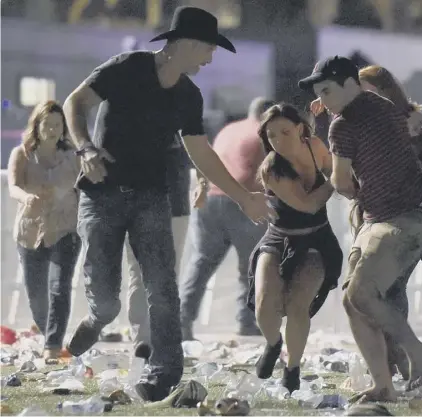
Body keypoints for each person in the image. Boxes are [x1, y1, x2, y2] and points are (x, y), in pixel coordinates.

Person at [62, 7, 270, 401]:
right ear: (187, 44)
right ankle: (95, 319)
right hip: (102, 193)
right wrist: (85, 147)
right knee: (107, 301)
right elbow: (76, 103)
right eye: (208, 50)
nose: (210, 59)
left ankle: (164, 374)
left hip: (151, 197)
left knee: (162, 287)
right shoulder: (126, 68)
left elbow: (202, 153)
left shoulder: (188, 95)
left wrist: (243, 196)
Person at [300, 56, 422, 402]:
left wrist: (354, 190)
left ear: (350, 83)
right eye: (319, 93)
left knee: (360, 295)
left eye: (327, 90)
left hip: (393, 220)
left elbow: (341, 181)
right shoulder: (383, 106)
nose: (324, 100)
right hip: (410, 218)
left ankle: (416, 353)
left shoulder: (341, 126)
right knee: (353, 299)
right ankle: (384, 385)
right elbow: (380, 127)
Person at [247, 103, 343, 393]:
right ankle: (274, 344)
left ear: (301, 129)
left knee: (298, 305)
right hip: (279, 238)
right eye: (271, 135)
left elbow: (332, 165)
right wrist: (338, 178)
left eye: (285, 132)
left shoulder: (315, 146)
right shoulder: (272, 169)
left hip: (317, 238)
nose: (278, 141)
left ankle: (293, 368)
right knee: (265, 305)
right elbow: (309, 203)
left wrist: (341, 172)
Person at [178, 97, 275, 340]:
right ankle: (247, 322)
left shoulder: (229, 129)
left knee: (201, 263)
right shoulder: (266, 133)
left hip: (210, 198)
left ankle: (181, 321)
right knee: (252, 266)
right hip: (243, 199)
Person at [7, 101, 81, 361]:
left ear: (63, 128)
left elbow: (85, 189)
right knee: (37, 295)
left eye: (57, 125)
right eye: (46, 124)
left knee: (59, 287)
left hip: (65, 228)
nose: (52, 129)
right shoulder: (22, 154)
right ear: (36, 126)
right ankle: (47, 330)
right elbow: (13, 186)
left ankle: (52, 345)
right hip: (31, 230)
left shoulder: (73, 157)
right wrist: (25, 197)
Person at [125, 130, 191, 354]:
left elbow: (199, 150)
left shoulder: (179, 115)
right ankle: (143, 340)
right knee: (139, 273)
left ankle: (161, 338)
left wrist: (202, 179)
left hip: (176, 206)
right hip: (138, 207)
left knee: (168, 275)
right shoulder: (130, 120)